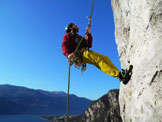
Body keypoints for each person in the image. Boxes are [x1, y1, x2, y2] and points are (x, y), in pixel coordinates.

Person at [62, 23, 133, 85]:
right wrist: (68, 55)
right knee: (99, 61)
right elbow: (64, 46)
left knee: (105, 58)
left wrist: (89, 33)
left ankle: (120, 74)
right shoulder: (67, 35)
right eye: (74, 25)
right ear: (70, 28)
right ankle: (120, 75)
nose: (77, 26)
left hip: (86, 52)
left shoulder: (79, 37)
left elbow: (89, 45)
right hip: (80, 54)